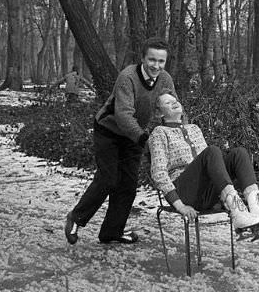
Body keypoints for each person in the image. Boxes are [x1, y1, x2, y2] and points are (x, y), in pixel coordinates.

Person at [64, 37, 176, 245]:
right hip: (109, 130)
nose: (156, 66)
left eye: (161, 61)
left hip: (134, 134)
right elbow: (124, 115)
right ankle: (76, 218)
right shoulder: (128, 77)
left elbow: (174, 108)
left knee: (128, 185)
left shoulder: (165, 79)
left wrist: (180, 133)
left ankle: (111, 232)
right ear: (143, 58)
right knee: (108, 179)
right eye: (152, 60)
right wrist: (145, 139)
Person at [148, 93, 259, 232]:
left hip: (205, 192)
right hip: (183, 193)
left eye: (175, 100)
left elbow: (211, 168)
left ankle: (256, 207)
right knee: (212, 151)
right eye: (167, 103)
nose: (174, 103)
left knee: (239, 153)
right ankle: (236, 210)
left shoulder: (194, 129)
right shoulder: (159, 133)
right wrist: (180, 206)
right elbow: (159, 174)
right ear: (159, 113)